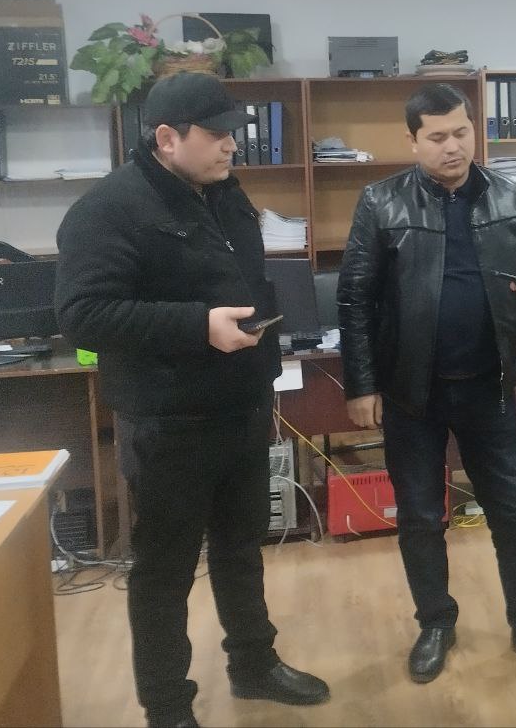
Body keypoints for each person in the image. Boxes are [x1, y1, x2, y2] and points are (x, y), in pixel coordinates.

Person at [55, 72, 329, 728]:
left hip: (241, 405)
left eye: (234, 132)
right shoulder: (108, 209)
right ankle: (168, 707)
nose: (232, 145)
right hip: (167, 420)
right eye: (217, 134)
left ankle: (254, 664)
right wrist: (196, 325)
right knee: (164, 570)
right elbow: (83, 315)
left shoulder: (225, 192)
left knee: (242, 546)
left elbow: (244, 279)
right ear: (167, 138)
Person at [337, 82, 516, 684]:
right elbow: (354, 300)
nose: (452, 147)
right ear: (412, 141)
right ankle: (435, 623)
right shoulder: (381, 202)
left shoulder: (508, 195)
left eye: (461, 132)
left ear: (474, 130)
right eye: (436, 137)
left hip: (489, 387)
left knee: (515, 513)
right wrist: (361, 385)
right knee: (421, 516)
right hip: (412, 394)